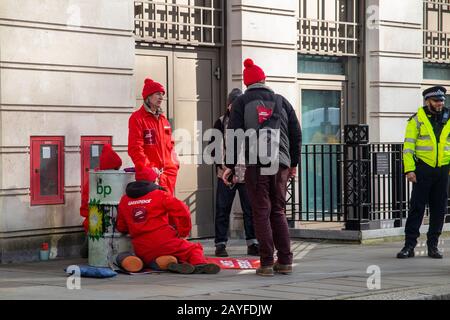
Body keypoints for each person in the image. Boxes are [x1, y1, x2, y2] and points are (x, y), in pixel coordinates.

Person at [222, 58, 302, 276]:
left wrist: (230, 166)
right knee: (278, 210)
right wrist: (293, 163)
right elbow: (296, 134)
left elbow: (233, 136)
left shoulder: (241, 103)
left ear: (247, 84)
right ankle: (285, 261)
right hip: (280, 163)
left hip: (256, 164)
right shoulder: (282, 101)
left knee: (261, 212)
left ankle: (266, 262)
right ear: (264, 80)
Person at [116, 167, 220, 274]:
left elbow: (121, 227)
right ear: (153, 181)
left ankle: (145, 263)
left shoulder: (124, 200)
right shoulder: (160, 195)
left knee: (146, 257)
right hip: (165, 242)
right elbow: (182, 210)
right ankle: (199, 264)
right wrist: (183, 231)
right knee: (193, 249)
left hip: (141, 248)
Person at [397, 86, 450, 259]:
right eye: (436, 100)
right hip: (423, 169)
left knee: (439, 210)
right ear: (427, 101)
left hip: (443, 170)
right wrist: (409, 169)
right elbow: (408, 147)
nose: (440, 103)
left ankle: (433, 246)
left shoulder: (449, 118)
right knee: (417, 208)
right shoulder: (417, 119)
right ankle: (409, 246)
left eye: (442, 100)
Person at [210, 88, 259, 257]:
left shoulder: (250, 122)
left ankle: (252, 243)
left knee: (250, 210)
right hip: (226, 175)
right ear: (229, 105)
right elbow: (212, 148)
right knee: (223, 209)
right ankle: (220, 244)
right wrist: (221, 166)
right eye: (234, 104)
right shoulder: (221, 122)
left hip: (247, 174)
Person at [128, 78, 179, 195]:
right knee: (152, 212)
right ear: (148, 97)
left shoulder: (163, 119)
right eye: (158, 94)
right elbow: (135, 149)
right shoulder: (137, 118)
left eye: (162, 94)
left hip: (168, 176)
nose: (161, 97)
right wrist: (149, 170)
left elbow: (170, 145)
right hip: (149, 178)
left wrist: (174, 165)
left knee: (168, 210)